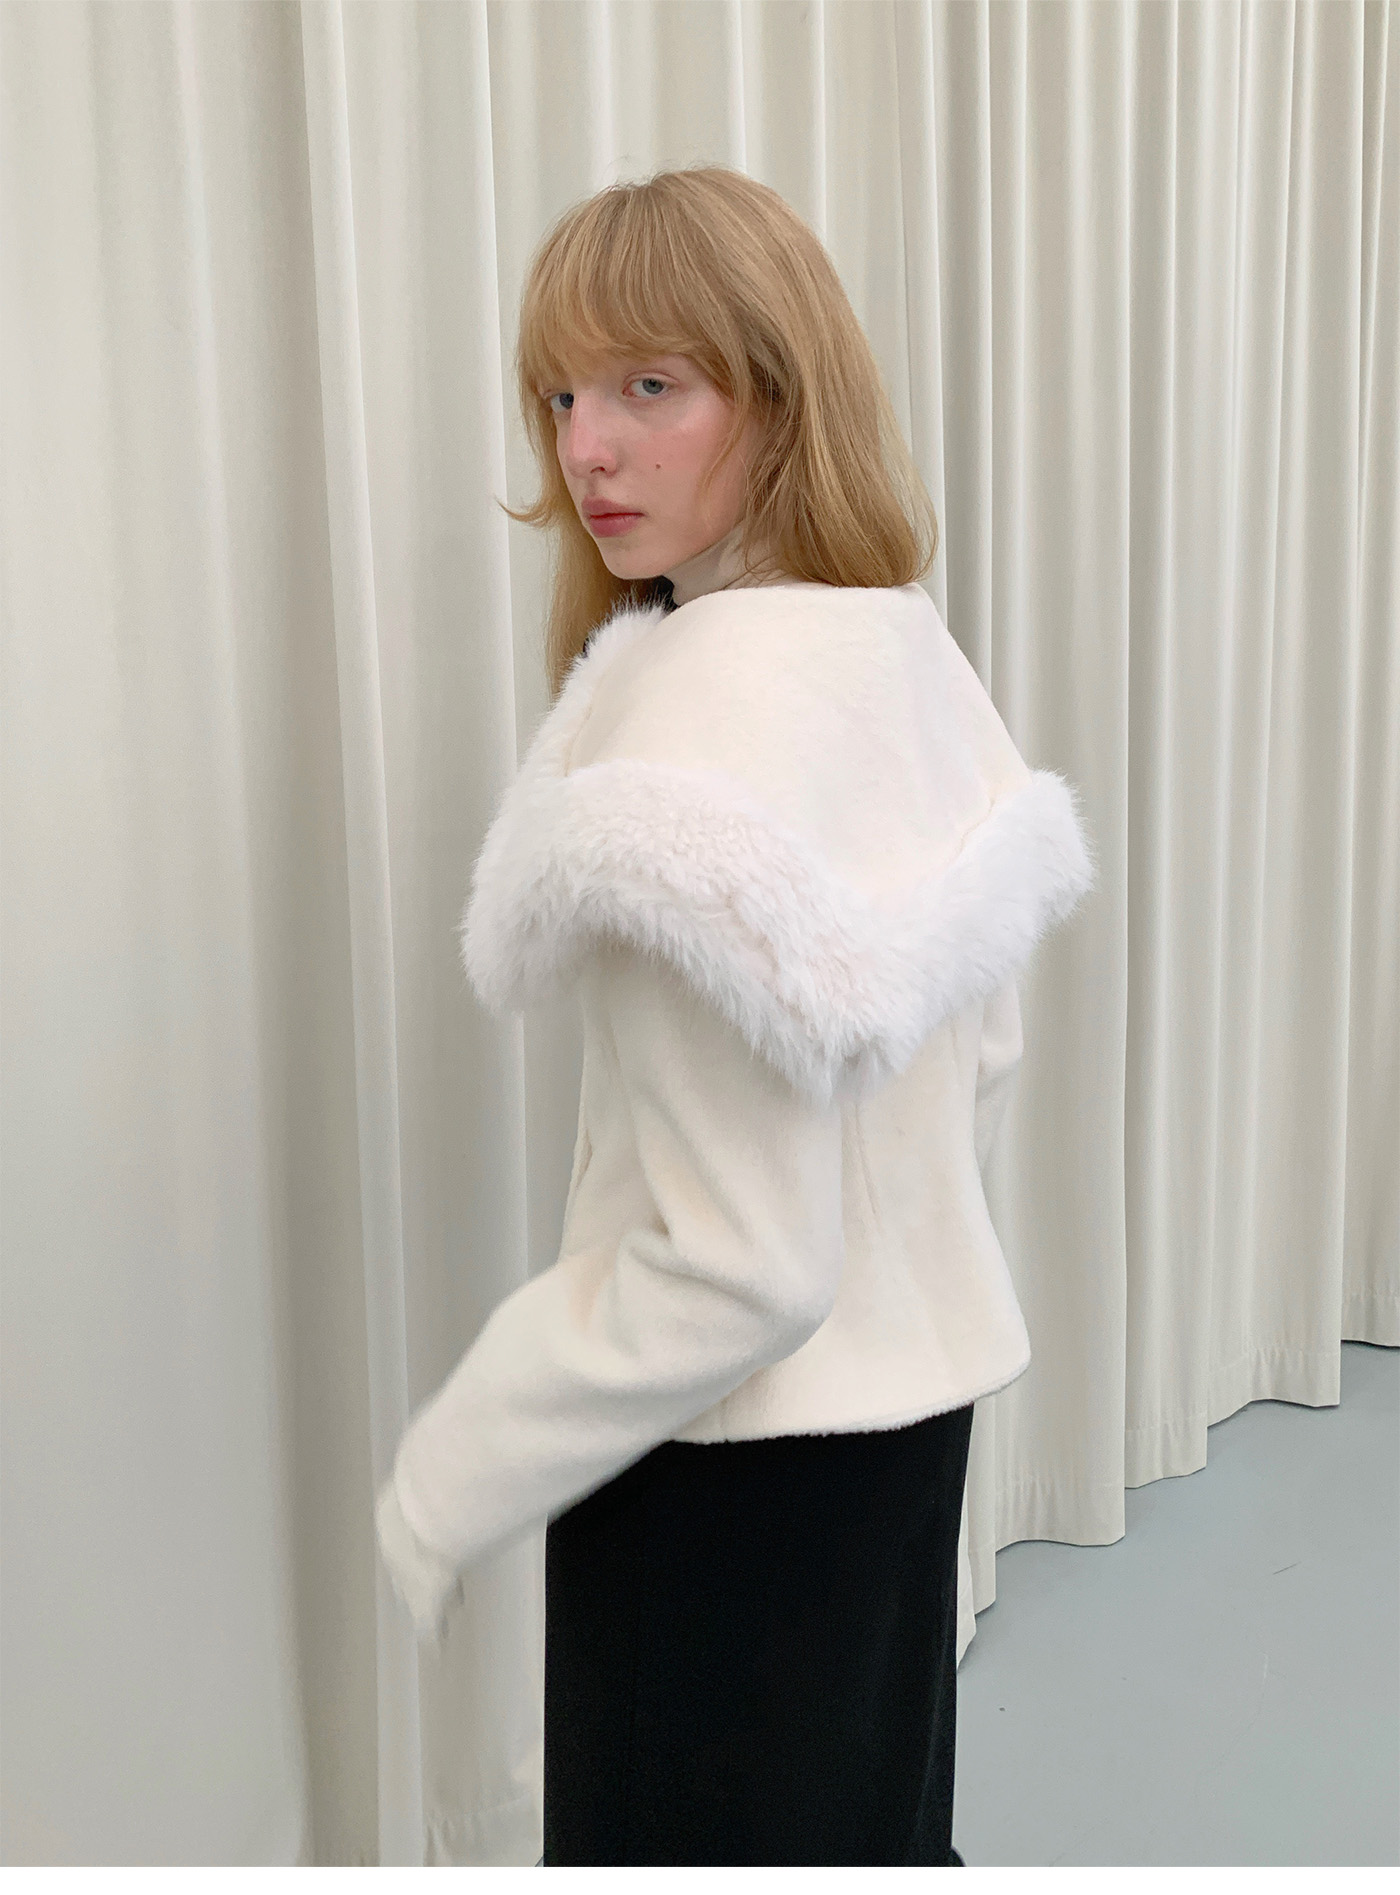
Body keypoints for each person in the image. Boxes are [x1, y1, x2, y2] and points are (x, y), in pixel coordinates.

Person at [374, 164, 1098, 1867]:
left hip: (725, 1471)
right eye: (563, 394)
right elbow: (981, 1051)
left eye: (651, 385)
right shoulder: (900, 654)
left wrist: (453, 1468)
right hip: (906, 1433)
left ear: (781, 393)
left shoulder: (681, 753)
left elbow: (742, 1270)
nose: (589, 451)